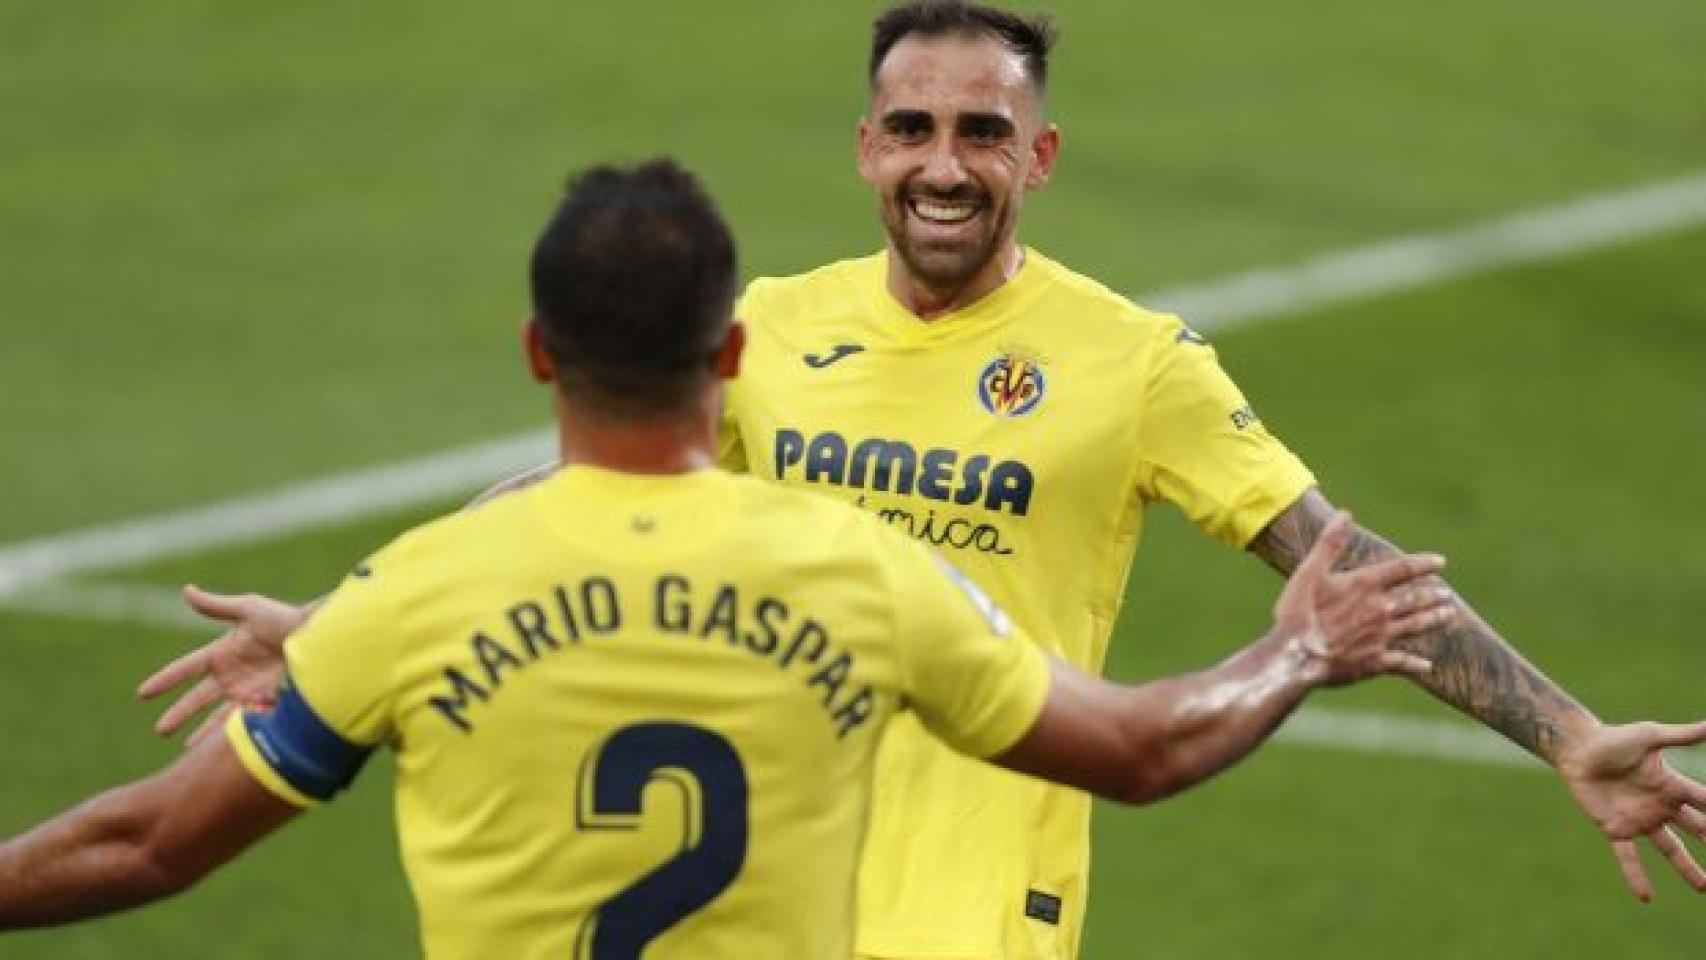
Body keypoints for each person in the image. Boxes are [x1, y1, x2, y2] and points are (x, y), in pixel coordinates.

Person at [138, 3, 1706, 959]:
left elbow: (1340, 564)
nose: (940, 161)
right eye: (909, 128)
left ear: (1039, 157)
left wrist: (1568, 734)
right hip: (760, 890)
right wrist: (351, 623)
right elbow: (587, 492)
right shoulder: (774, 329)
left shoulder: (1135, 361)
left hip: (976, 910)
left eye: (979, 130)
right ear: (864, 145)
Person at [1, 160, 1470, 958]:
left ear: (533, 354)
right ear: (733, 353)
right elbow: (1144, 750)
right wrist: (1301, 647)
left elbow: (144, 845)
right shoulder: (863, 573)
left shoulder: (415, 597)